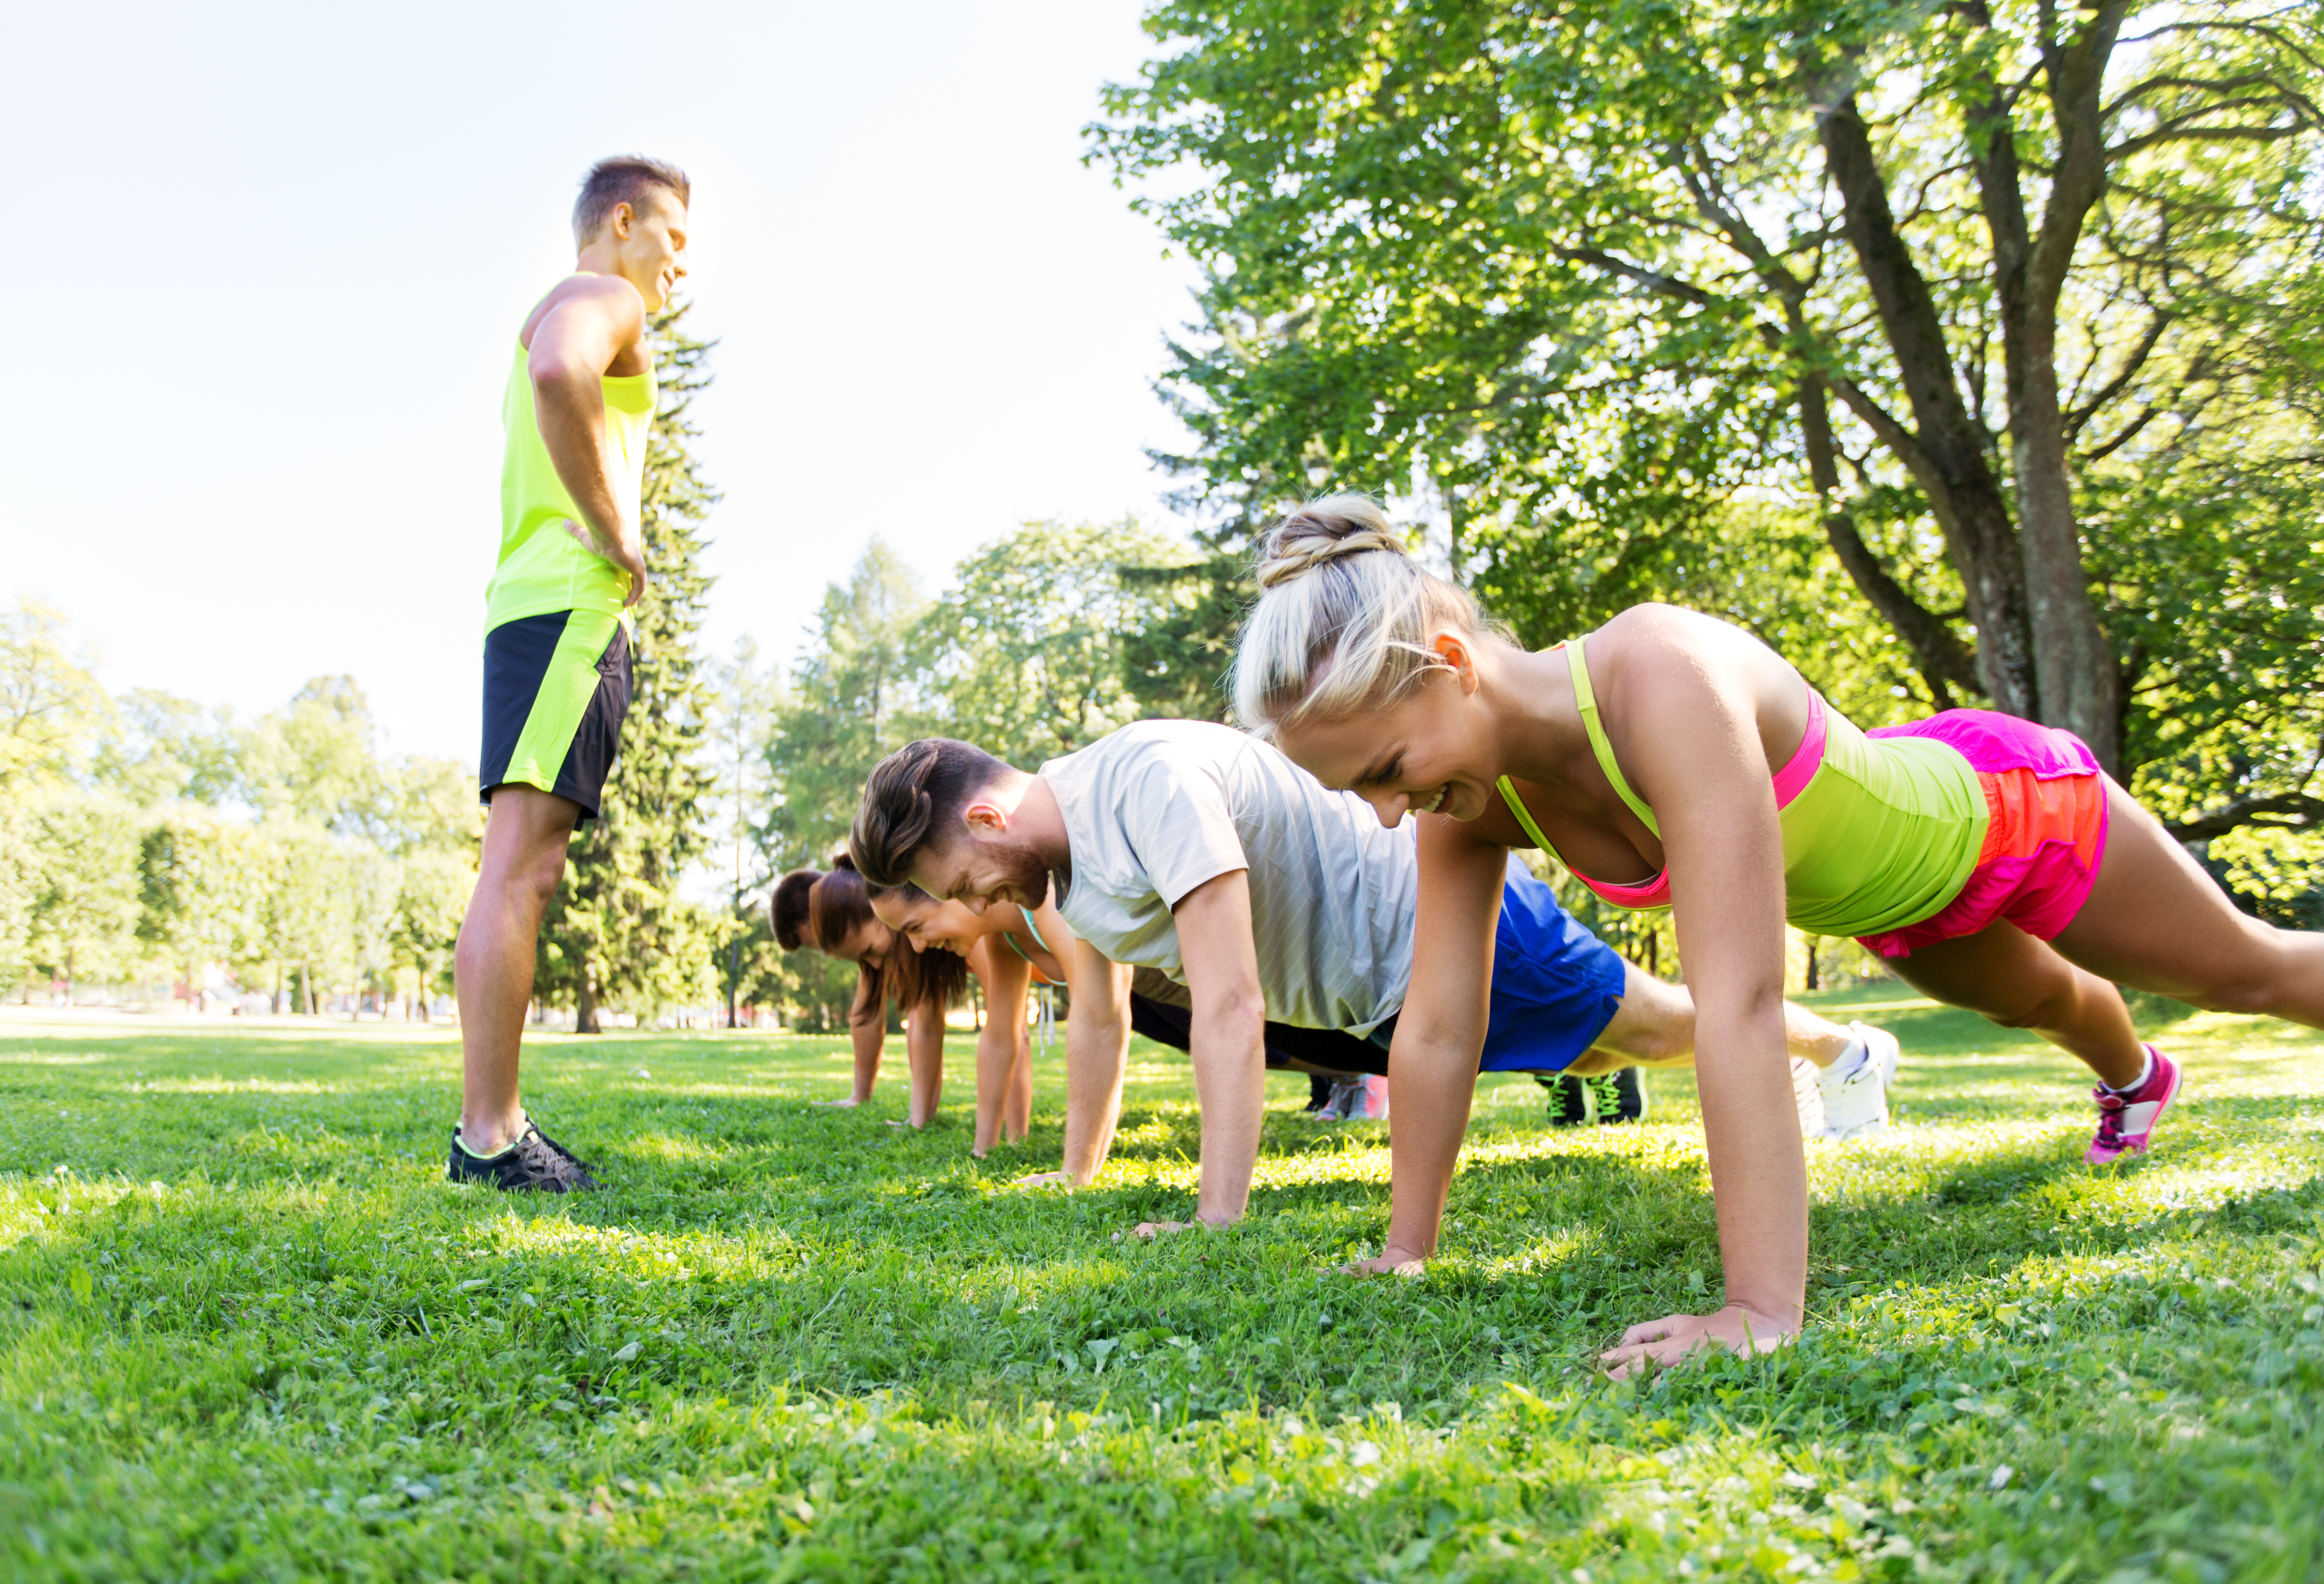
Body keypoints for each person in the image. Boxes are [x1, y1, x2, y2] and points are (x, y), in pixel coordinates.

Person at [1232, 493, 2324, 1376]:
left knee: (2249, 971)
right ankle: (2136, 1078)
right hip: (1894, 906)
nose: (1384, 812)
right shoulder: (1475, 804)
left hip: (2006, 814)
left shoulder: (1655, 671)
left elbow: (1741, 1007)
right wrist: (1405, 1250)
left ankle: (2140, 1063)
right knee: (2030, 1000)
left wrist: (1757, 1307)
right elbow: (1432, 1027)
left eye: (1384, 772)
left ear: (1451, 664)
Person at [847, 724, 1894, 1232]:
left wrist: (1215, 1219)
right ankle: (1831, 1050)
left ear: (986, 820)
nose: (976, 904)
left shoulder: (1143, 785)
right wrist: (1077, 1167)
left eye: (962, 880)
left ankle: (1843, 1050)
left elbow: (1228, 1004)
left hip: (1429, 919)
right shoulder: (1059, 885)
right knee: (1625, 1036)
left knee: (1647, 1027)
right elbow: (1102, 1017)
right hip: (1373, 996)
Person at [448, 156, 690, 1193]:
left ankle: (488, 1132)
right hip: (566, 607)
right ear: (620, 222)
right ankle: (490, 1137)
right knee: (522, 866)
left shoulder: (574, 299)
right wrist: (619, 529)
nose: (682, 266)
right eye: (673, 238)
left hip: (530, 606)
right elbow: (560, 372)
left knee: (521, 863)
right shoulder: (599, 297)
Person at [867, 886, 1392, 1136]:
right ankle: (1358, 1072)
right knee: (1300, 1052)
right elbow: (1002, 1039)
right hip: (1159, 1001)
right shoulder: (1004, 940)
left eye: (915, 927)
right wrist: (989, 1148)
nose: (916, 948)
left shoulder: (1043, 907)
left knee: (1357, 1039)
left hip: (1200, 981)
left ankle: (1373, 1070)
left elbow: (1100, 1020)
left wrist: (1077, 1170)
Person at [770, 858, 986, 1139]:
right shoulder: (877, 938)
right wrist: (864, 1097)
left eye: (816, 942)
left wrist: (921, 1119)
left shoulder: (894, 910)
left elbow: (928, 1018)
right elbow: (871, 1014)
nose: (826, 954)